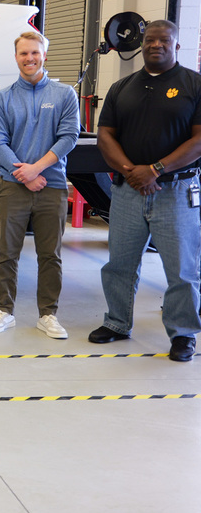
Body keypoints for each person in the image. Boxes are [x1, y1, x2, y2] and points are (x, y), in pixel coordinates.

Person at [90, 20, 201, 362]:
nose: (156, 45)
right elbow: (105, 134)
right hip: (127, 191)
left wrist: (156, 169)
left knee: (182, 269)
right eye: (151, 39)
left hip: (175, 191)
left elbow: (199, 140)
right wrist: (130, 171)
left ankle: (183, 335)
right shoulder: (123, 87)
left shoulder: (194, 85)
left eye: (164, 40)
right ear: (143, 45)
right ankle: (117, 323)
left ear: (176, 45)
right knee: (119, 263)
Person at [0, 32, 79, 339]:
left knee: (50, 254)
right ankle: (4, 311)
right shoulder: (3, 97)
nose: (29, 58)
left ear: (44, 55)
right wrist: (23, 173)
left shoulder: (65, 95)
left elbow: (69, 137)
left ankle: (48, 315)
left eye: (35, 53)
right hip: (12, 186)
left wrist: (37, 169)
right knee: (6, 253)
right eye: (23, 53)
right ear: (16, 57)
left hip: (51, 186)